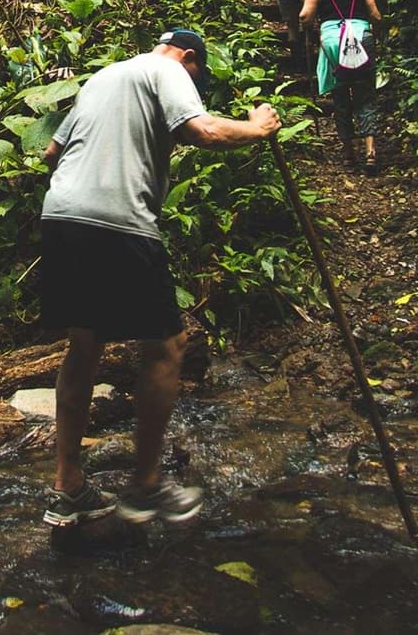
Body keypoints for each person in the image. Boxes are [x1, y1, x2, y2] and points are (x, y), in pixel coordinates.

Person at [37, 27, 281, 527]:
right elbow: (203, 131)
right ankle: (146, 485)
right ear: (188, 58)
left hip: (62, 215)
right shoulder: (166, 69)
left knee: (84, 346)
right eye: (197, 75)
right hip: (118, 221)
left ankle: (69, 486)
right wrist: (257, 128)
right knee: (167, 346)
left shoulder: (104, 77)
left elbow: (52, 154)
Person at [299, 0, 385, 172]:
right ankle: (370, 152)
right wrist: (376, 36)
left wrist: (306, 3)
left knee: (341, 99)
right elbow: (376, 16)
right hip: (361, 38)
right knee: (365, 97)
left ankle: (348, 155)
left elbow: (304, 17)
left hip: (333, 44)